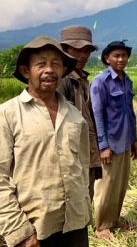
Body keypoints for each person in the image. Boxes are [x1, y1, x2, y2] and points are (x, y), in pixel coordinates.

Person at [0, 36, 91, 247]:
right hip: (32, 230)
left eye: (56, 64)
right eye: (41, 64)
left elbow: (83, 168)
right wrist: (20, 232)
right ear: (25, 71)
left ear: (63, 72)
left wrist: (85, 209)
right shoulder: (7, 114)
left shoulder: (75, 115)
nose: (49, 70)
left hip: (75, 225)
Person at [90, 40, 137, 240]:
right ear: (107, 58)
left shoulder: (127, 81)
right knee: (106, 185)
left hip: (125, 140)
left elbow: (131, 113)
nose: (120, 59)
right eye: (116, 56)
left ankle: (114, 220)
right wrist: (103, 146)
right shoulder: (100, 81)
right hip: (110, 143)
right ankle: (101, 226)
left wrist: (134, 139)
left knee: (120, 184)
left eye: (123, 55)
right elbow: (97, 114)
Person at [57, 25, 102, 201]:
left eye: (86, 50)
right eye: (77, 50)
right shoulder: (63, 80)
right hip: (71, 156)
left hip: (85, 151)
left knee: (84, 202)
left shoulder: (82, 79)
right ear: (64, 50)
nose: (83, 55)